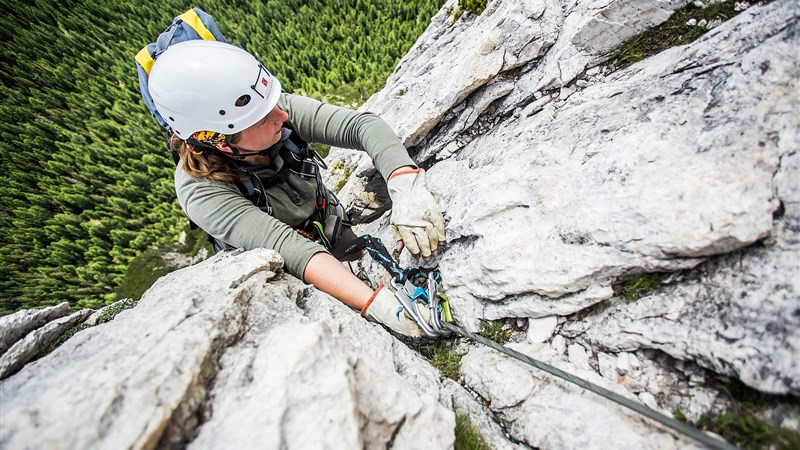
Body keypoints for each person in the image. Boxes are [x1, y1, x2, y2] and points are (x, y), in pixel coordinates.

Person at [146, 40, 446, 336]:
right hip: (288, 271)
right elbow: (287, 246)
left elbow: (361, 126)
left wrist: (405, 183)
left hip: (328, 225)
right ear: (222, 141)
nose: (282, 115)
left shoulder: (269, 110)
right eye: (263, 118)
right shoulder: (201, 191)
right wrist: (377, 304)